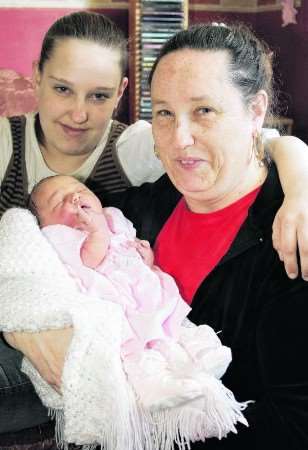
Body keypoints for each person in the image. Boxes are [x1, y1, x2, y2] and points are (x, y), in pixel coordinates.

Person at [1, 10, 308, 446]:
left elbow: (294, 424)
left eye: (204, 110)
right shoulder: (149, 204)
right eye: (164, 112)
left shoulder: (291, 239)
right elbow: (38, 250)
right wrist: (21, 323)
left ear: (255, 110)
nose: (179, 137)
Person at [9, 174, 247, 447]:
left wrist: (144, 258)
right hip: (112, 301)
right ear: (46, 222)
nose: (74, 198)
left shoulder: (112, 218)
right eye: (58, 200)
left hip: (140, 289)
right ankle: (155, 389)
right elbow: (87, 260)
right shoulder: (59, 237)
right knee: (138, 348)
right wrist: (97, 232)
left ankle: (199, 363)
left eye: (79, 190)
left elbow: (125, 249)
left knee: (171, 331)